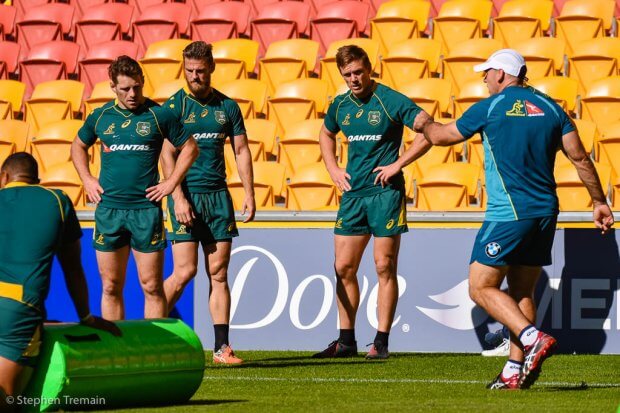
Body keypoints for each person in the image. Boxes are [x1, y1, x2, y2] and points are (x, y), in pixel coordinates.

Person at [422, 49, 614, 389]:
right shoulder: (553, 108)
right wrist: (599, 201)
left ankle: (531, 337)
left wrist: (419, 120)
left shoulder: (492, 107)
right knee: (522, 289)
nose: (483, 79)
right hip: (544, 213)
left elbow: (441, 137)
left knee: (480, 287)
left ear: (501, 74)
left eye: (487, 72)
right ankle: (515, 368)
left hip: (509, 213)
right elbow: (581, 157)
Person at [314, 45, 432, 360]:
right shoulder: (340, 105)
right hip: (353, 196)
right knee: (343, 267)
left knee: (383, 266)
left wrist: (398, 164)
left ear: (369, 68)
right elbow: (326, 135)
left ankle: (380, 342)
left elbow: (427, 127)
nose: (353, 79)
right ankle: (346, 340)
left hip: (385, 194)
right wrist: (333, 168)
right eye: (347, 74)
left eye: (357, 72)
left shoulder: (389, 99)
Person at [71, 56, 199, 321]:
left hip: (145, 212)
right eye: (126, 89)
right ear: (112, 87)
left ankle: (153, 353)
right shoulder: (101, 117)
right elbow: (78, 145)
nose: (132, 94)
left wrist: (171, 182)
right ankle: (116, 352)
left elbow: (190, 148)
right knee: (110, 287)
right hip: (109, 212)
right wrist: (87, 179)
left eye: (137, 87)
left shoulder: (158, 114)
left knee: (152, 286)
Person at [160, 41, 255, 364]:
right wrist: (178, 197)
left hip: (218, 199)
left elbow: (241, 151)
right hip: (186, 197)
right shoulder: (174, 107)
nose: (195, 76)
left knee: (218, 273)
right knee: (184, 271)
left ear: (211, 68)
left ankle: (221, 348)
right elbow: (167, 155)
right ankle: (150, 331)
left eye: (200, 70)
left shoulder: (227, 108)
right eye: (189, 71)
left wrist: (250, 193)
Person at [0, 153, 119, 410]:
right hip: (17, 309)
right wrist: (86, 316)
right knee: (9, 400)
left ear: (4, 178)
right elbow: (72, 267)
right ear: (37, 180)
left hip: (15, 309)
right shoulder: (57, 199)